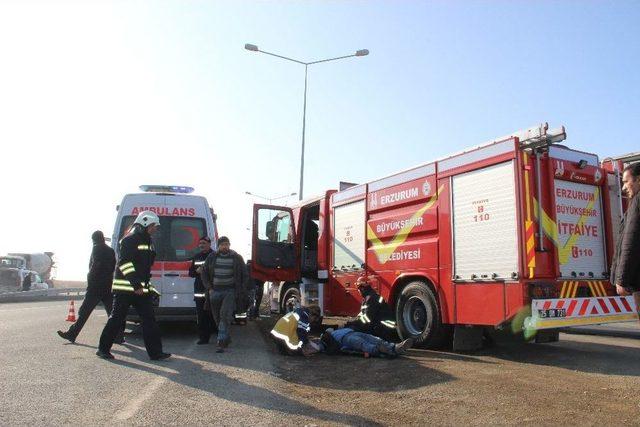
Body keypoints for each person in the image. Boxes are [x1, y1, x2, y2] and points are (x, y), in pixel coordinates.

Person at [96, 211, 170, 361]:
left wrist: (148, 288)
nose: (155, 229)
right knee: (116, 319)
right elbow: (125, 263)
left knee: (150, 321)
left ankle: (156, 353)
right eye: (153, 226)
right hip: (125, 289)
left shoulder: (148, 241)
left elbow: (144, 268)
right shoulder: (129, 240)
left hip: (140, 290)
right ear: (144, 223)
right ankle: (103, 349)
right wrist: (136, 284)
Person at [57, 231, 124, 344]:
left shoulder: (97, 248)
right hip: (107, 286)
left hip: (95, 287)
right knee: (112, 314)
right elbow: (113, 267)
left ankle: (72, 334)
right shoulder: (111, 250)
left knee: (84, 313)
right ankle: (118, 336)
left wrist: (90, 278)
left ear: (94, 240)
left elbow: (95, 265)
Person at [201, 236, 249, 353]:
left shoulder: (237, 258)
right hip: (215, 291)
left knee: (224, 315)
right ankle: (226, 337)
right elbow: (204, 273)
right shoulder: (212, 257)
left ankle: (220, 342)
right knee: (217, 317)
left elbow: (245, 274)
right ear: (218, 246)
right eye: (223, 245)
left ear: (229, 245)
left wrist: (241, 289)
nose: (225, 247)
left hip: (230, 291)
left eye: (227, 244)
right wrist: (209, 288)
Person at [611, 162, 640, 317]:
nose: (623, 187)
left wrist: (621, 279)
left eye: (626, 181)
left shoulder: (637, 201)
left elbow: (631, 241)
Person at [188, 236, 216, 344]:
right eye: (200, 244)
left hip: (212, 290)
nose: (201, 245)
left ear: (209, 244)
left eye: (204, 243)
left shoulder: (214, 256)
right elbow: (190, 273)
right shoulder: (197, 257)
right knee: (201, 316)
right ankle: (203, 338)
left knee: (213, 315)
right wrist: (197, 271)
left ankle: (218, 336)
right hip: (199, 291)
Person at [320, 327, 413, 358]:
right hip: (348, 337)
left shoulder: (336, 332)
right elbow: (323, 346)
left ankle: (394, 348)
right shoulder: (330, 335)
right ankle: (390, 348)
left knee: (370, 341)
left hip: (351, 335)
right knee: (367, 342)